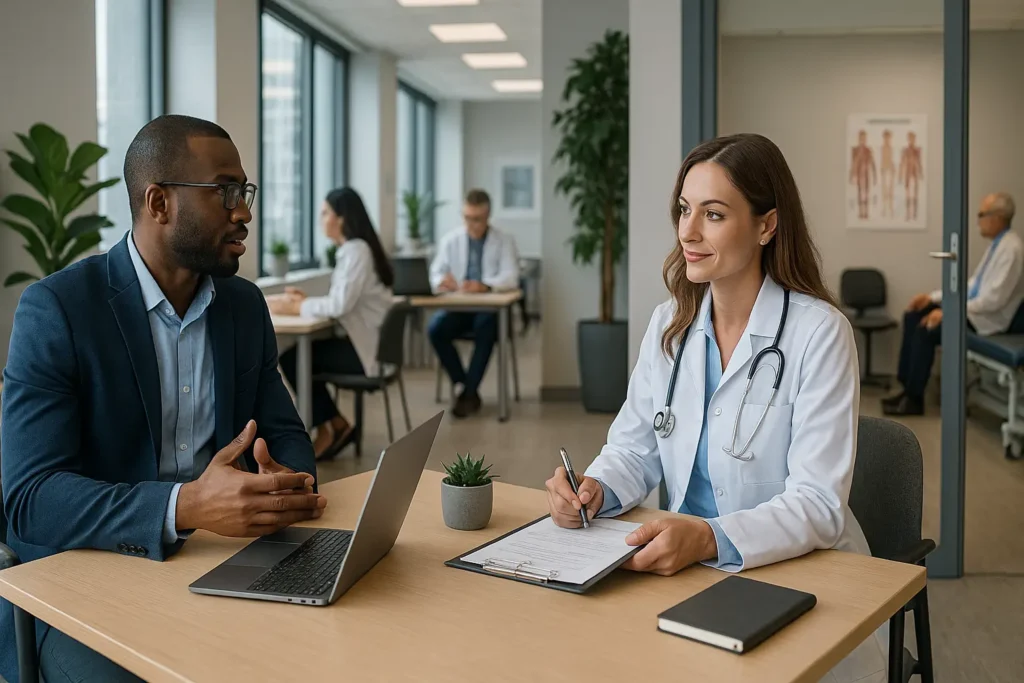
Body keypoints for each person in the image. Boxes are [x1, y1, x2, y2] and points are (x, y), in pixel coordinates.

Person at [544, 133, 888, 682]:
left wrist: (709, 537)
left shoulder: (819, 333)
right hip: (687, 573)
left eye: (713, 214)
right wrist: (594, 490)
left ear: (766, 225)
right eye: (685, 210)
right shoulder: (670, 325)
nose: (688, 231)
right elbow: (632, 449)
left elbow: (819, 504)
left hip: (796, 576)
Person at [0, 115, 323, 683]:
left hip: (221, 560)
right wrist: (185, 506)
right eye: (224, 191)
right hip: (82, 585)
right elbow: (32, 498)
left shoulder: (243, 306)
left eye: (244, 192)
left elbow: (286, 434)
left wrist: (282, 483)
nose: (244, 212)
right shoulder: (58, 309)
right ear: (159, 203)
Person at [269, 188, 395, 458]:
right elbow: (342, 300)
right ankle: (335, 424)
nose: (321, 220)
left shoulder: (356, 251)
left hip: (367, 353)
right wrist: (306, 301)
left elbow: (339, 305)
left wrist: (297, 307)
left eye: (325, 213)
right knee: (299, 358)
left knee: (294, 359)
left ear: (342, 218)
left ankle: (331, 427)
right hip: (368, 345)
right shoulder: (356, 250)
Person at [884, 192, 1022, 416]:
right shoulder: (997, 246)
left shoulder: (1012, 249)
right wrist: (932, 298)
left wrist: (948, 312)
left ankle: (914, 399)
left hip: (987, 321)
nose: (978, 220)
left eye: (982, 215)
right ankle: (906, 388)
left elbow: (992, 301)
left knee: (926, 329)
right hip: (975, 311)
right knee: (913, 315)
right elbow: (973, 286)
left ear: (997, 217)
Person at [428, 189, 519, 417]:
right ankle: (465, 386)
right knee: (436, 329)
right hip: (459, 306)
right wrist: (443, 281)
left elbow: (511, 277)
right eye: (467, 218)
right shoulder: (451, 240)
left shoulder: (504, 240)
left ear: (488, 216)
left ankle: (467, 394)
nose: (471, 224)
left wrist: (485, 285)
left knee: (485, 327)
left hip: (489, 309)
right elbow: (435, 273)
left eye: (477, 219)